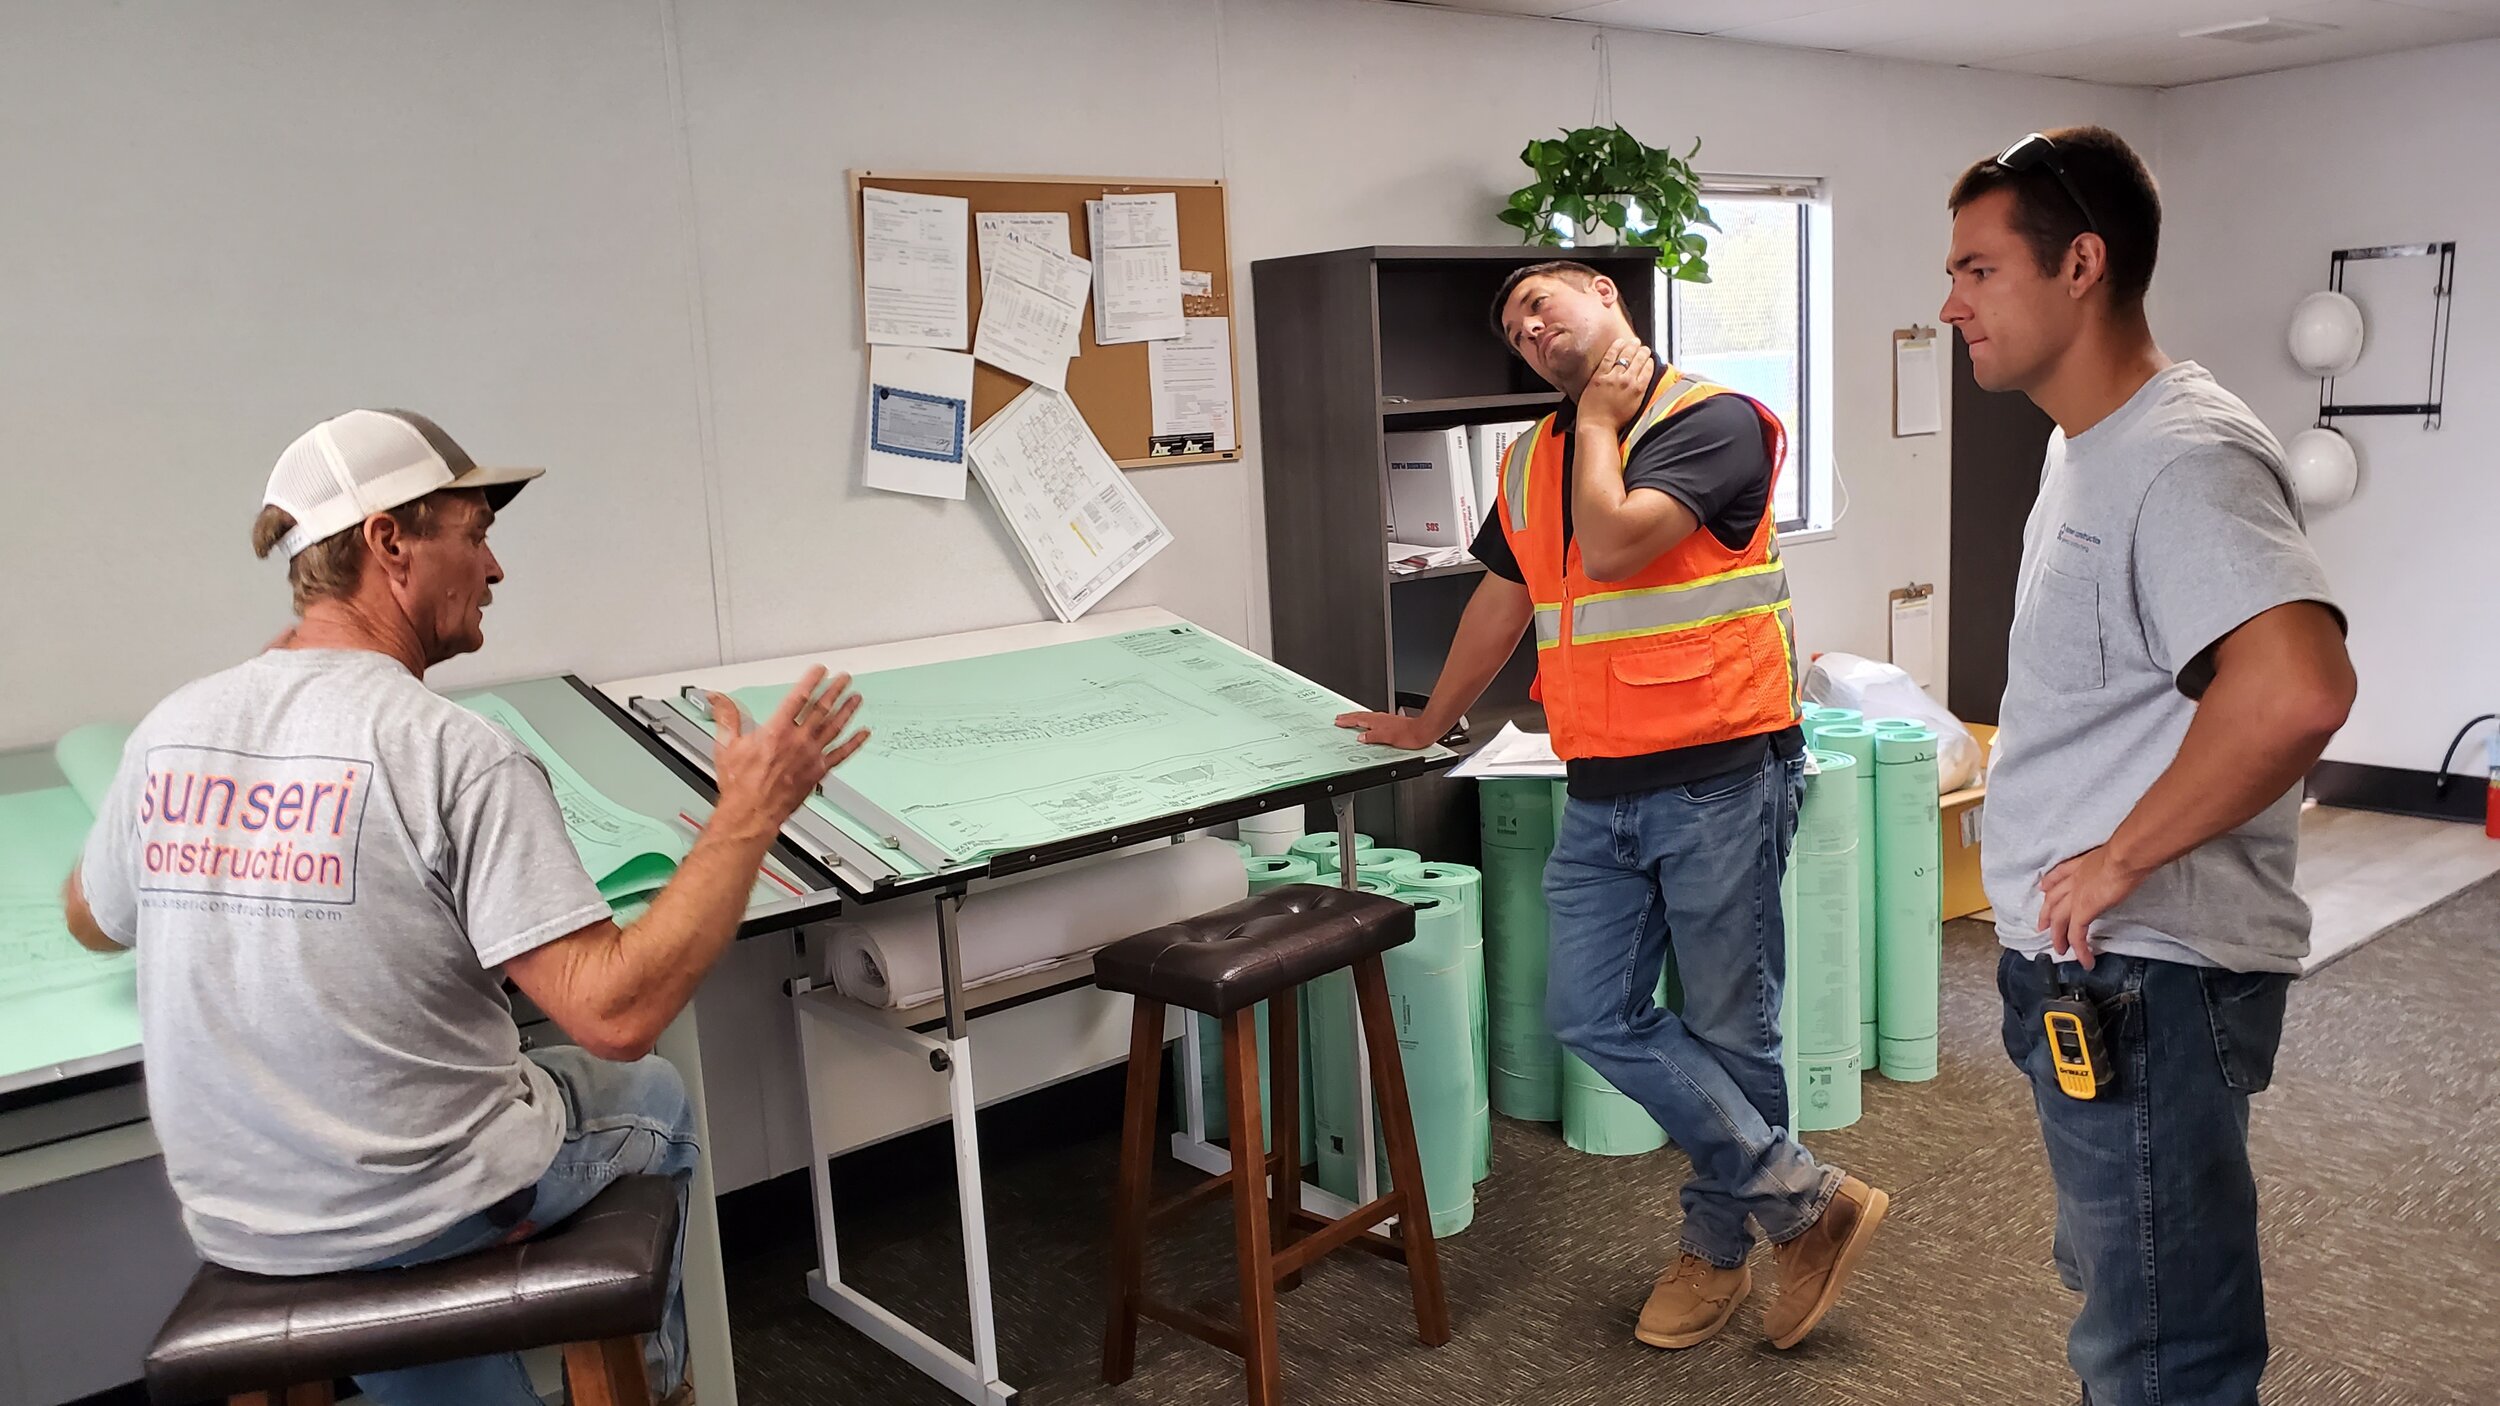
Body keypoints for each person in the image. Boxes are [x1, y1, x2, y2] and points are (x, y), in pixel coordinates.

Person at [60, 409, 868, 1406]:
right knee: (655, 1097)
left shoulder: (170, 729)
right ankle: (657, 1387)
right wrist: (748, 811)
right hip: (413, 1207)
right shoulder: (450, 748)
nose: (495, 570)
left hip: (243, 1223)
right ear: (388, 542)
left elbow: (91, 915)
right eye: (475, 534)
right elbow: (611, 1014)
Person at [1340, 261, 1888, 1352]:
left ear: (1604, 289)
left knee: (1735, 1027)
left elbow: (1619, 539)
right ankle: (1799, 1196)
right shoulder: (1531, 457)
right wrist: (1428, 719)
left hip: (1722, 773)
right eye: (1513, 327)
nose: (1530, 329)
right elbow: (1506, 598)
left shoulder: (1712, 421)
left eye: (1544, 303)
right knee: (1589, 1012)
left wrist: (1597, 416)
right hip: (1597, 784)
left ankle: (1718, 1248)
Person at [1941, 128, 2355, 1405]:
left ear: (2080, 264)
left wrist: (2117, 855)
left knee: (2164, 1346)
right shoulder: (2084, 442)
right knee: (2127, 1302)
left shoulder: (2182, 455)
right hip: (2088, 966)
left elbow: (2294, 691)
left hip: (2149, 974)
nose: (1949, 303)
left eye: (1976, 268)